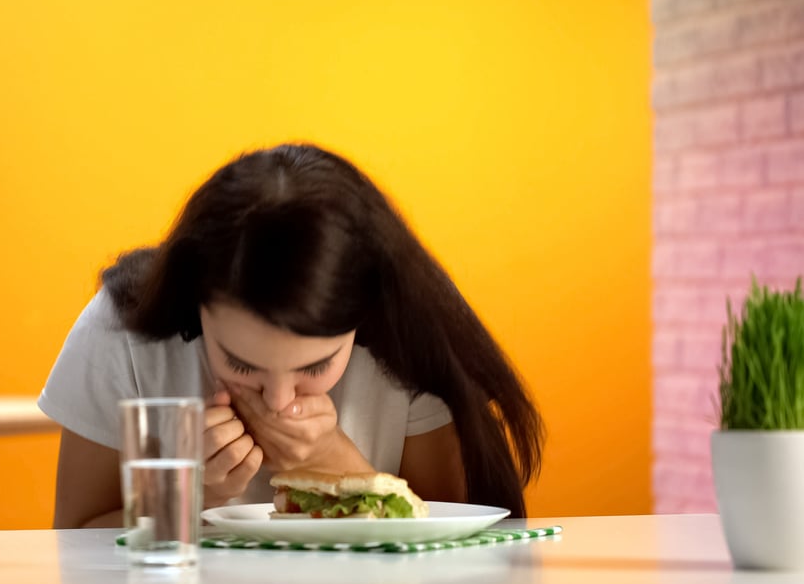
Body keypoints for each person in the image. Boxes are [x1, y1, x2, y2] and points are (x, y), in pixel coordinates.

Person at [39, 143, 544, 529]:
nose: (279, 401)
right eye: (239, 363)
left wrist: (333, 463)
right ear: (194, 307)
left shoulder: (413, 325)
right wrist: (184, 497)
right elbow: (74, 541)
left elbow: (468, 557)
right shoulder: (123, 330)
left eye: (315, 367)